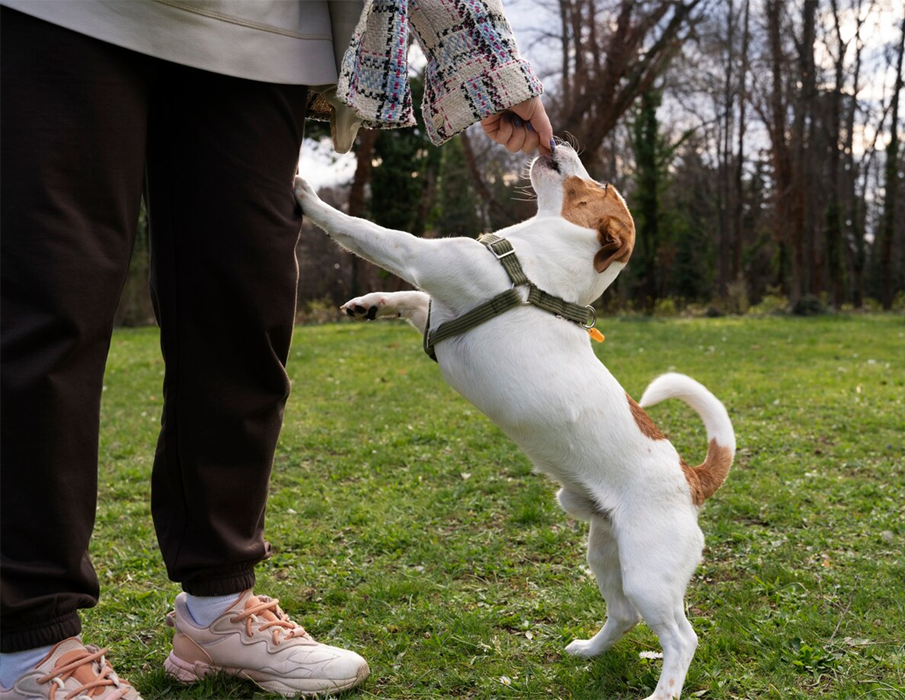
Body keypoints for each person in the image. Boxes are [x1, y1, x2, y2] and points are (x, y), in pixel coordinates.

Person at [0, 1, 554, 698]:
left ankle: (218, 605)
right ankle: (28, 642)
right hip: (67, 15)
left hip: (258, 36)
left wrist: (489, 65)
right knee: (49, 304)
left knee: (243, 316)